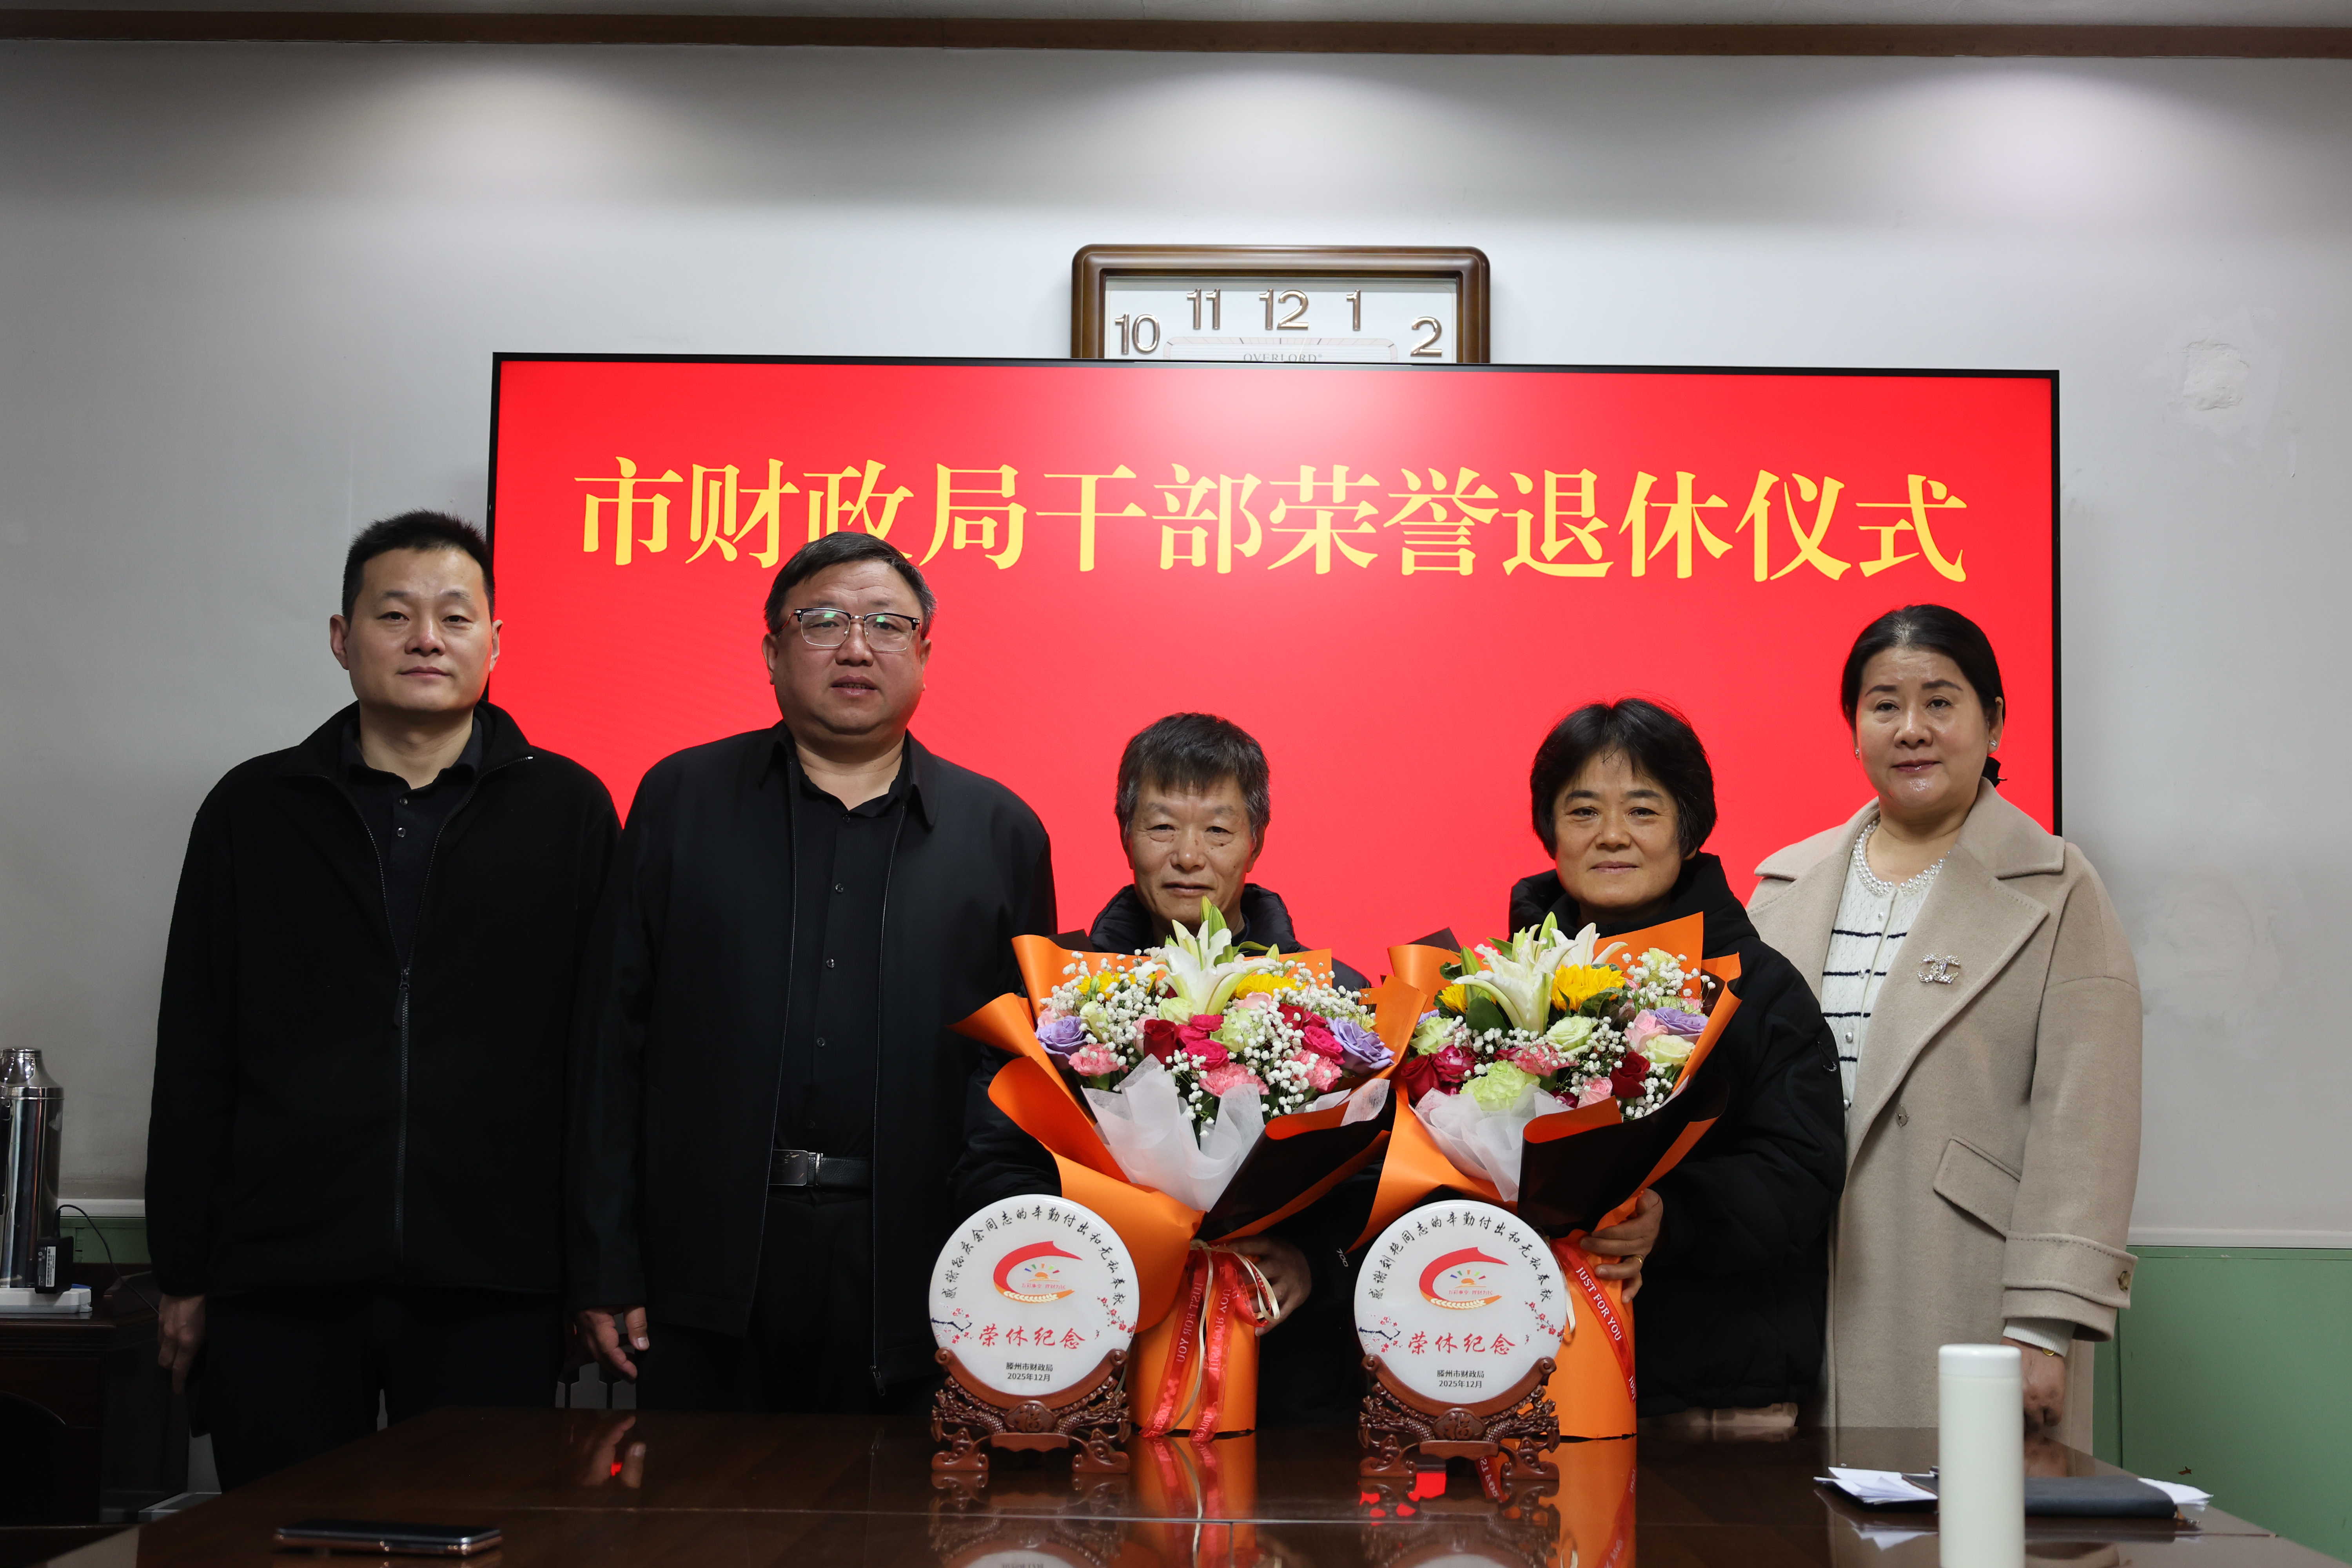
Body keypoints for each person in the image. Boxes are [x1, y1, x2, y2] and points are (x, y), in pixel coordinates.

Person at [146, 511, 619, 1488]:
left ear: (496, 641)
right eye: (395, 614)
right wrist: (183, 1271)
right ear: (342, 636)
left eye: (455, 616)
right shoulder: (255, 808)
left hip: (496, 1280)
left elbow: (601, 1057)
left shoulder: (568, 809)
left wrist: (593, 1270)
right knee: (279, 1537)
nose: (426, 639)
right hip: (281, 1276)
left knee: (481, 1538)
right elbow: (194, 1047)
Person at [568, 531, 1057, 1414]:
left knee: (897, 1502)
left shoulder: (1001, 835)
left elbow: (1023, 1081)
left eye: (887, 624)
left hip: (920, 1266)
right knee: (699, 1499)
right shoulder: (680, 800)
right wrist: (606, 1260)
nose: (856, 647)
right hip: (704, 1260)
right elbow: (612, 1044)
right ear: (771, 652)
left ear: (925, 654)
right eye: (824, 621)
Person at [1749, 605, 2140, 1443]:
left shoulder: (2058, 886)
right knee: (1790, 1511)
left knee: (1962, 1509)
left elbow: (2088, 1121)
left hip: (1966, 1284)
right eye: (1884, 704)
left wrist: (2043, 1325)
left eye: (1939, 701)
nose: (1912, 729)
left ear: (1992, 721)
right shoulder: (1782, 888)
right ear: (1855, 728)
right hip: (1789, 1289)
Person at [1507, 699, 1846, 1429]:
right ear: (1550, 832)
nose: (1612, 835)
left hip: (1715, 1400)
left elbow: (1802, 1171)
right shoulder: (1501, 991)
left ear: (1689, 832)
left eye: (1643, 810)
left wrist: (1673, 1216)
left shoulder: (1758, 987)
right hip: (1531, 1391)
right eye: (1583, 811)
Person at [1054, 711, 1362, 1423]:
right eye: (1162, 827)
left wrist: (1314, 1261)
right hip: (1094, 1352)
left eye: (1217, 831)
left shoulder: (1334, 998)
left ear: (1256, 842)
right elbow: (1000, 1163)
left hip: (1289, 1377)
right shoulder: (1058, 995)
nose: (1188, 856)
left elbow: (1376, 1182)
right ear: (1125, 833)